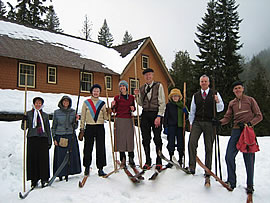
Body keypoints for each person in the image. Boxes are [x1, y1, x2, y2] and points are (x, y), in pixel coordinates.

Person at [214, 81, 262, 194]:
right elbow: (227, 117)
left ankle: (250, 184)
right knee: (229, 156)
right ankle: (232, 181)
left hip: (248, 131)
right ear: (233, 91)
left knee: (249, 158)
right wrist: (219, 122)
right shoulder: (232, 103)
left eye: (239, 88)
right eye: (235, 88)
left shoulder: (250, 100)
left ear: (243, 89)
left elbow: (259, 116)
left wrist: (250, 124)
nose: (237, 90)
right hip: (236, 130)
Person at [188, 75, 224, 181]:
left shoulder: (215, 94)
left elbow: (220, 108)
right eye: (202, 81)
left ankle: (207, 169)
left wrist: (217, 101)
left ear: (208, 83)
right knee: (192, 142)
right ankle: (192, 166)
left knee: (209, 146)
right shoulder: (196, 95)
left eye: (205, 81)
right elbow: (192, 110)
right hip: (197, 122)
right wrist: (191, 122)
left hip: (209, 122)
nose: (203, 83)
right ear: (200, 83)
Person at [134, 68, 166, 170]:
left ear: (152, 75)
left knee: (157, 138)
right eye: (146, 75)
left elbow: (162, 102)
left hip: (155, 114)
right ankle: (148, 160)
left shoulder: (158, 86)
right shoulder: (142, 88)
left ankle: (159, 160)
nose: (148, 77)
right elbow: (140, 103)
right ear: (144, 77)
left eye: (150, 75)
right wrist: (137, 95)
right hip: (145, 114)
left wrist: (159, 116)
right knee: (145, 138)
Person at [21, 97, 52, 188]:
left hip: (43, 138)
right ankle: (34, 180)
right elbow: (23, 128)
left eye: (40, 103)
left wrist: (49, 140)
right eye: (36, 103)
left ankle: (44, 178)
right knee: (32, 159)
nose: (38, 105)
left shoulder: (45, 115)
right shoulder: (29, 114)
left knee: (43, 159)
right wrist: (24, 120)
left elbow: (47, 129)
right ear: (34, 104)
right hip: (32, 138)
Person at [79, 84, 108, 177]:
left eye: (98, 91)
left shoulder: (102, 103)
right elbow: (82, 117)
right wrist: (82, 128)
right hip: (89, 127)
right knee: (88, 148)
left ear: (99, 93)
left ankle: (101, 168)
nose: (96, 92)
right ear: (91, 92)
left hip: (100, 127)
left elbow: (106, 117)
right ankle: (87, 167)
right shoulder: (86, 103)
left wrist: (110, 111)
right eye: (94, 91)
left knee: (100, 147)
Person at [51, 96, 81, 182]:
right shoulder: (56, 112)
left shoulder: (73, 112)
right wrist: (54, 138)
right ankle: (60, 174)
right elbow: (53, 127)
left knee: (71, 156)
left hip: (70, 135)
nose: (65, 103)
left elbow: (75, 127)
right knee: (61, 156)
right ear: (61, 102)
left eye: (67, 101)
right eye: (64, 101)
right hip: (60, 136)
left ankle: (70, 172)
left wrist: (76, 120)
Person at [111, 80, 136, 167]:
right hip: (119, 119)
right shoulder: (117, 98)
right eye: (120, 86)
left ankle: (131, 158)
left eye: (123, 86)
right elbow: (114, 110)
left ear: (126, 87)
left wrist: (133, 108)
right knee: (121, 139)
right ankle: (123, 158)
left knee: (129, 139)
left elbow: (134, 108)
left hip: (128, 119)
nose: (122, 87)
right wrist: (113, 106)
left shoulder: (131, 97)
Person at [163, 88, 188, 168]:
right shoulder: (169, 105)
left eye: (176, 96)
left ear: (179, 97)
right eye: (173, 96)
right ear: (171, 97)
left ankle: (181, 159)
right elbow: (166, 117)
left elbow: (187, 117)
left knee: (180, 143)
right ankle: (171, 158)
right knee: (171, 143)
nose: (175, 97)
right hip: (171, 126)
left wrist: (185, 112)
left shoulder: (182, 105)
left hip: (180, 127)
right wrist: (165, 127)